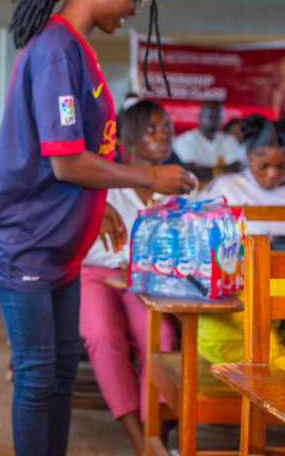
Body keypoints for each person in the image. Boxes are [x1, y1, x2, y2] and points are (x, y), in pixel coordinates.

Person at [0, 0, 196, 454]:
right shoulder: (55, 49)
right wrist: (149, 177)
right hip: (22, 237)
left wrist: (98, 202)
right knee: (37, 372)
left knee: (63, 367)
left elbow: (72, 153)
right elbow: (66, 162)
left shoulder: (77, 49)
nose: (135, 7)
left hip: (58, 236)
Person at [79, 100, 188, 454]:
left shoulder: (180, 186)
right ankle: (142, 444)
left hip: (148, 280)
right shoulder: (106, 181)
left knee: (163, 337)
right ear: (127, 139)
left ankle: (157, 436)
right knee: (102, 333)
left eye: (167, 127)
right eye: (152, 129)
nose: (163, 134)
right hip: (96, 274)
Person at [197, 118, 285, 370]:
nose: (272, 174)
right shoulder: (226, 189)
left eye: (281, 166)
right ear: (247, 155)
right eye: (263, 166)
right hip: (238, 290)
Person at [172, 100, 244, 181]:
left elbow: (237, 168)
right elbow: (189, 171)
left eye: (218, 113)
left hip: (226, 187)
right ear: (199, 116)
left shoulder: (230, 141)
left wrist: (203, 170)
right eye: (208, 112)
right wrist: (222, 170)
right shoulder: (185, 140)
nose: (213, 117)